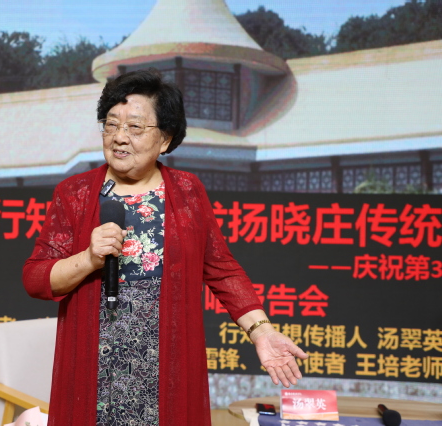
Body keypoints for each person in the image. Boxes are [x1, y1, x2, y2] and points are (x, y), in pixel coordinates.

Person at [23, 69, 308, 426]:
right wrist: (88, 259)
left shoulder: (187, 192)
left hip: (166, 372)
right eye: (111, 125)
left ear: (165, 139)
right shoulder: (75, 194)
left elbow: (222, 270)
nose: (119, 137)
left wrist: (261, 331)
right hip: (93, 372)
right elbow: (36, 278)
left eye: (135, 127)